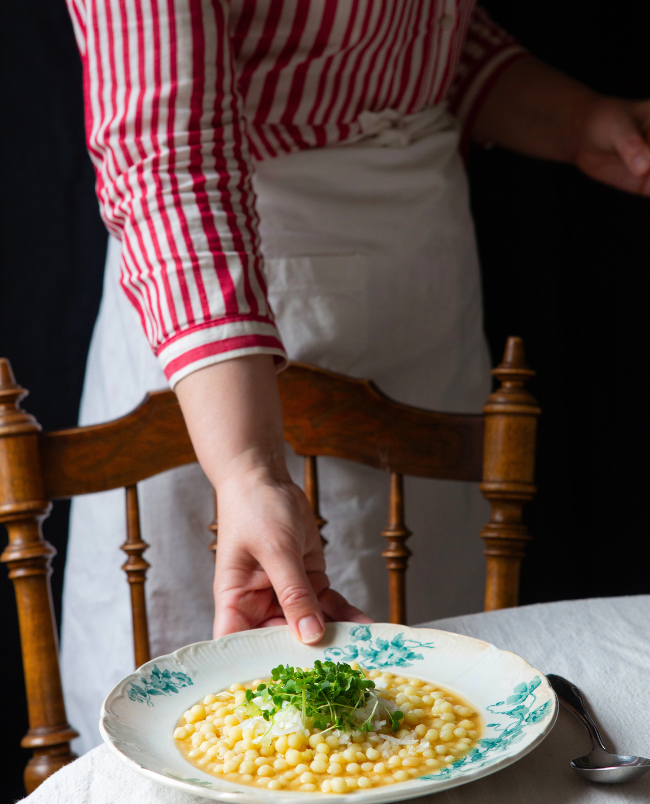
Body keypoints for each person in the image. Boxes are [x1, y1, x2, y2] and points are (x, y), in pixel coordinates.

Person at [62, 0, 650, 754]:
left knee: (429, 721)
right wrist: (247, 470)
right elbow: (165, 157)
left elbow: (401, 36)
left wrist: (577, 121)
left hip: (425, 263)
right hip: (226, 309)